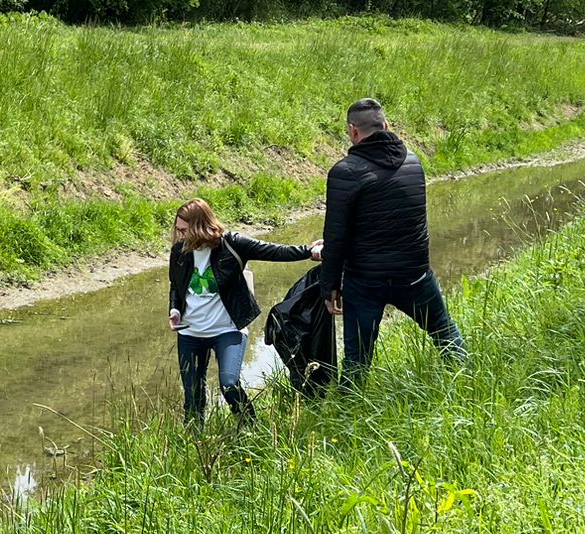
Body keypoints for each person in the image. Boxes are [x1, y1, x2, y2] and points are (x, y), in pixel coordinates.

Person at [319, 97, 467, 384]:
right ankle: (467, 383)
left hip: (365, 281)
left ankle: (350, 414)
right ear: (386, 125)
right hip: (414, 275)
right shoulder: (414, 162)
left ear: (353, 131)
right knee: (446, 333)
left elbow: (335, 236)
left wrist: (330, 285)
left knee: (356, 361)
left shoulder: (345, 172)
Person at [167, 198, 318, 422]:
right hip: (190, 333)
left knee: (229, 385)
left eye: (184, 230)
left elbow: (274, 251)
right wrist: (174, 310)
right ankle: (193, 443)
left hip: (228, 330)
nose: (180, 236)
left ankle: (250, 426)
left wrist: (309, 251)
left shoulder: (232, 244)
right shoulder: (179, 251)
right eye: (178, 230)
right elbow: (175, 285)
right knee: (193, 396)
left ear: (199, 227)